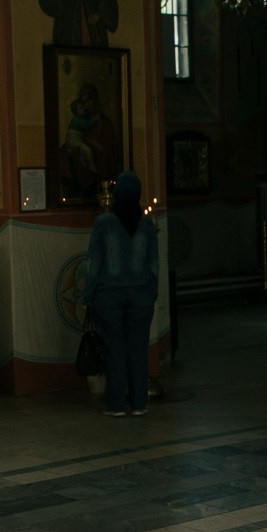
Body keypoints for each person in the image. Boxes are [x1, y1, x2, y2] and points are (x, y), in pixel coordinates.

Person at [82, 170, 158, 417]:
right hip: (142, 296)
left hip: (108, 296)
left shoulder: (103, 223)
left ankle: (116, 404)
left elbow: (94, 262)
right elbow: (154, 263)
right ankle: (139, 403)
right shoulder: (147, 224)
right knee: (138, 349)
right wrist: (151, 290)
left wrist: (88, 293)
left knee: (114, 349)